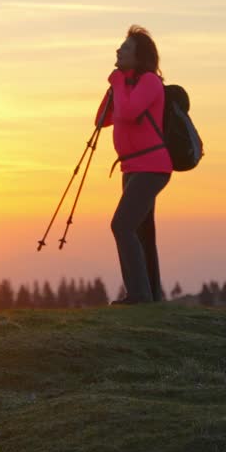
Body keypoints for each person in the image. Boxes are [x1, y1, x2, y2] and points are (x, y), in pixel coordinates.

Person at [95, 25, 171, 304]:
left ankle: (139, 296)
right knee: (142, 231)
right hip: (132, 168)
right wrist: (118, 84)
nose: (118, 50)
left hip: (152, 166)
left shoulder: (150, 82)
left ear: (139, 56)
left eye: (125, 48)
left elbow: (129, 112)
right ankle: (150, 296)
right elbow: (102, 120)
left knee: (122, 225)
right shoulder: (125, 84)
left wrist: (117, 82)